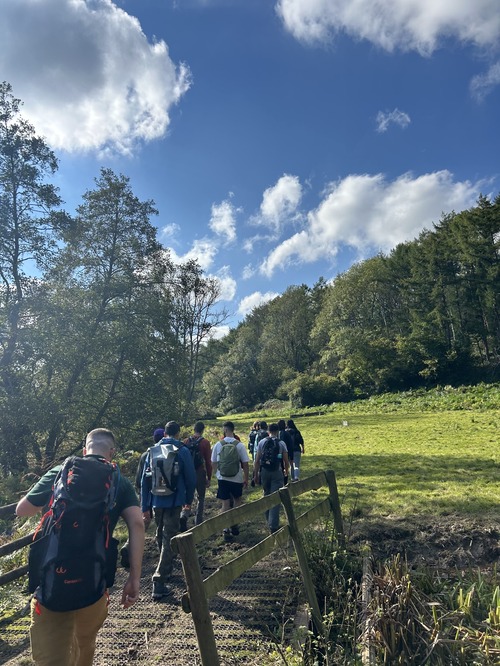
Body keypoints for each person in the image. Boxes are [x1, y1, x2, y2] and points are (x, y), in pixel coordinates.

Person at [16, 428, 145, 666]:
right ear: (111, 453)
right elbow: (137, 524)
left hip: (52, 586)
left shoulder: (60, 473)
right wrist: (134, 578)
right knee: (84, 647)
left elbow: (22, 510)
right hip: (93, 588)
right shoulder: (119, 481)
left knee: (50, 658)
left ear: (85, 450)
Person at [141, 420, 196, 601]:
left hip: (156, 499)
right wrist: (188, 500)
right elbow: (190, 478)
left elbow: (145, 480)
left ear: (164, 433)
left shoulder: (152, 451)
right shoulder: (182, 451)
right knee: (168, 537)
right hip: (175, 499)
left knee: (160, 534)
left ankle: (166, 569)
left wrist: (145, 506)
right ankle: (159, 580)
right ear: (178, 433)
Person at [121, 427, 165, 568]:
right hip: (159, 493)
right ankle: (163, 555)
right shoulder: (164, 453)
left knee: (143, 523)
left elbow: (139, 477)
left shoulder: (145, 454)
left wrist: (140, 494)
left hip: (144, 492)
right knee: (161, 524)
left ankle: (128, 546)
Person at [211, 421, 249, 542]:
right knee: (237, 500)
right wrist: (246, 478)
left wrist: (217, 473)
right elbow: (245, 463)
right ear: (233, 430)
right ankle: (235, 523)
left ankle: (225, 528)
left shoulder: (218, 444)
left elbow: (213, 462)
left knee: (225, 503)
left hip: (223, 478)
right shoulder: (239, 445)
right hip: (236, 478)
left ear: (225, 430)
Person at [253, 423, 289, 533]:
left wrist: (255, 475)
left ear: (268, 431)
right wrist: (286, 472)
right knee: (275, 497)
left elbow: (257, 460)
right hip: (276, 471)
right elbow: (286, 461)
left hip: (264, 471)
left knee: (266, 494)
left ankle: (268, 519)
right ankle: (273, 525)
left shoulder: (262, 442)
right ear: (277, 431)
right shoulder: (281, 443)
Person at [180, 421, 212, 530]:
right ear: (203, 430)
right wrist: (209, 477)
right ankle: (198, 521)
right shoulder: (205, 443)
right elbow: (208, 461)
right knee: (201, 497)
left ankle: (184, 515)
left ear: (194, 429)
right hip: (199, 472)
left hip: (187, 473)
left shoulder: (185, 441)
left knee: (187, 496)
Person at [277, 419, 293, 483]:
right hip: (286, 452)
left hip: (278, 454)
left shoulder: (277, 434)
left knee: (280, 465)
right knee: (285, 465)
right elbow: (290, 445)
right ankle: (285, 479)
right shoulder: (287, 434)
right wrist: (291, 456)